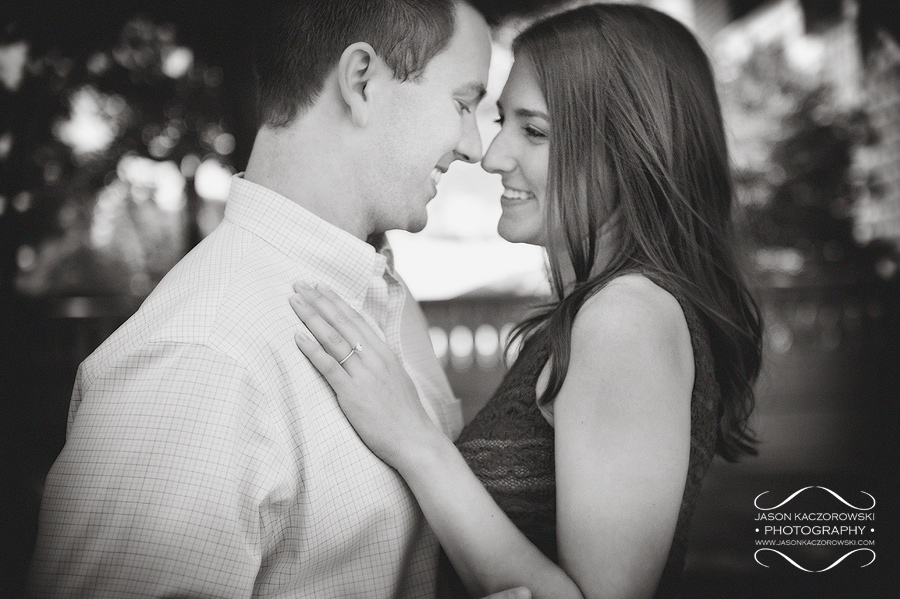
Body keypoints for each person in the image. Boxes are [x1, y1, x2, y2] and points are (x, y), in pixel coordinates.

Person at [27, 1, 527, 597]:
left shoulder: (382, 298)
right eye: (463, 103)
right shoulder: (200, 359)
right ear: (362, 81)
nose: (474, 146)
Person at [288, 4, 764, 599]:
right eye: (500, 120)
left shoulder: (625, 319)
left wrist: (414, 441)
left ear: (630, 148)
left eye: (533, 131)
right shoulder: (605, 314)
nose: (492, 157)